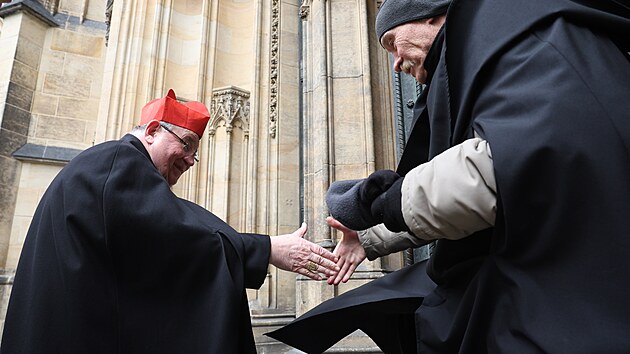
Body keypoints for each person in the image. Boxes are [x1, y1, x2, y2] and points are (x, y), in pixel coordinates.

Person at [271, 0, 630, 352]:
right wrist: (371, 238)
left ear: (429, 18)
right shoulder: (485, 51)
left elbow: (507, 165)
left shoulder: (518, 35)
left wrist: (379, 202)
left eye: (394, 42)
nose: (395, 63)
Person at [0, 89, 339, 354]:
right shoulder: (117, 161)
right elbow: (173, 232)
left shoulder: (106, 165)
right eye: (187, 145)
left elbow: (151, 254)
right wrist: (266, 249)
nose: (191, 161)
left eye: (195, 152)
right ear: (151, 130)